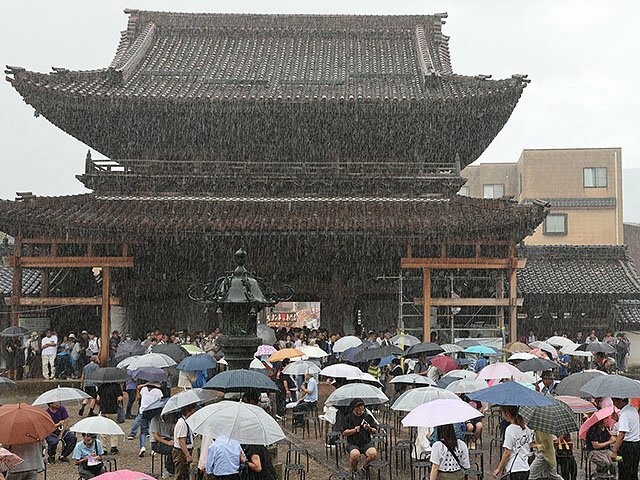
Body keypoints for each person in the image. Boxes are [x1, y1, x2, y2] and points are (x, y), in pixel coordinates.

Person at [493, 406, 534, 480]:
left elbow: (507, 453)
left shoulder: (510, 429)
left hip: (515, 468)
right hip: (526, 468)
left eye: (502, 412)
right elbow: (529, 446)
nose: (502, 415)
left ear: (507, 413)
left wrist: (499, 468)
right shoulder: (526, 428)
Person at [342, 398, 378, 474]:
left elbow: (375, 430)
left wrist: (369, 428)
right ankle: (354, 470)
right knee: (355, 455)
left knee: (373, 454)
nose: (360, 408)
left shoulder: (368, 417)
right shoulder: (348, 418)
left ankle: (364, 467)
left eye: (362, 406)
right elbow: (344, 432)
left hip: (366, 443)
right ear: (353, 408)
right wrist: (353, 430)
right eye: (358, 406)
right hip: (353, 443)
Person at [128, 382, 163, 457]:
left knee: (143, 431)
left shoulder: (143, 389)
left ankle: (142, 447)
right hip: (153, 412)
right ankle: (153, 449)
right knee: (153, 431)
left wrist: (145, 385)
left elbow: (139, 390)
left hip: (143, 411)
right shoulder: (158, 391)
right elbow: (160, 400)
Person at [611, 397, 640, 480]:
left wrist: (615, 451)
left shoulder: (625, 414)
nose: (614, 404)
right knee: (632, 471)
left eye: (614, 401)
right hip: (635, 445)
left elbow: (621, 434)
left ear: (620, 401)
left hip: (627, 447)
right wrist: (618, 419)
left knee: (624, 472)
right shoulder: (633, 410)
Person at [96, 382, 123, 454]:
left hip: (103, 410)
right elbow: (120, 398)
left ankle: (103, 448)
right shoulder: (116, 386)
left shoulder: (102, 386)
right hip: (113, 410)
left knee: (102, 430)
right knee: (113, 428)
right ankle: (114, 447)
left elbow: (98, 398)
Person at [173, 403, 197, 480]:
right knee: (180, 474)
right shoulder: (182, 423)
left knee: (185, 474)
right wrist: (187, 455)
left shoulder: (187, 422)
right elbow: (181, 441)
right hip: (180, 452)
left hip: (186, 450)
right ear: (188, 411)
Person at [150, 412, 176, 477]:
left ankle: (175, 468)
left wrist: (174, 426)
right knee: (171, 450)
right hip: (156, 443)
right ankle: (168, 469)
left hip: (168, 439)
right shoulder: (155, 419)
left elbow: (171, 433)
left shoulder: (170, 418)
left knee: (178, 448)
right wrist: (167, 442)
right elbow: (155, 436)